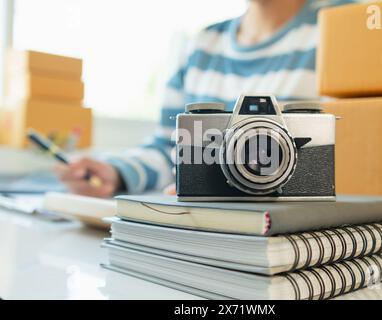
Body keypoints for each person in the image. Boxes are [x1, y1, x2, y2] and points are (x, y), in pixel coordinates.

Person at [55, 0, 353, 198]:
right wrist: (118, 173)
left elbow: (369, 152)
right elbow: (171, 148)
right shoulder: (203, 45)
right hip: (209, 237)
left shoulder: (350, 26)